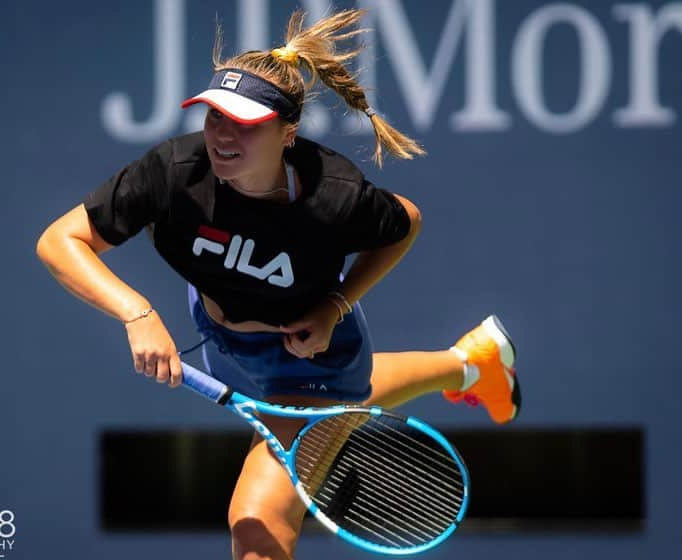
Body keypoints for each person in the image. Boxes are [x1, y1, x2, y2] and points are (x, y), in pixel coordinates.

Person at [36, 8, 521, 560]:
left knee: (256, 525)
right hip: (222, 336)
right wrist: (136, 312)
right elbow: (60, 241)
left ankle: (467, 364)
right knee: (343, 407)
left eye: (244, 124)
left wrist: (336, 305)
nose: (221, 134)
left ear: (287, 133)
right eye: (214, 116)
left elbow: (404, 221)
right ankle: (471, 362)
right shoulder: (173, 172)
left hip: (312, 358)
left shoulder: (333, 195)